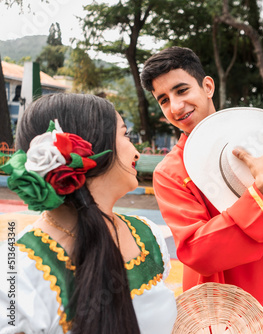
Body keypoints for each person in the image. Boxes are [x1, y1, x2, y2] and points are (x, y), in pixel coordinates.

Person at [140, 46, 263, 332]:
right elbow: (198, 253)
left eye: (182, 90)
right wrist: (261, 193)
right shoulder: (170, 172)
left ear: (207, 86)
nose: (176, 107)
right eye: (164, 100)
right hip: (219, 309)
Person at [0, 93, 177, 334]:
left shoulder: (148, 237)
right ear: (89, 145)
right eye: (125, 134)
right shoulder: (19, 269)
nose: (136, 153)